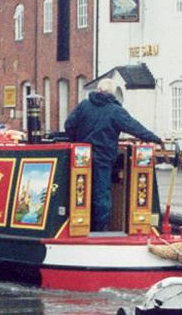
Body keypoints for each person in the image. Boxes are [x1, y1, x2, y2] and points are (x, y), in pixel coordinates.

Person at [65, 78, 163, 232]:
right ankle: (99, 231)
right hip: (102, 158)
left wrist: (77, 143)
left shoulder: (84, 106)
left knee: (79, 194)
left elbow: (69, 124)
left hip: (80, 157)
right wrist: (156, 139)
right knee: (101, 195)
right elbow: (135, 128)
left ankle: (80, 227)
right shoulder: (115, 111)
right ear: (113, 94)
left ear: (98, 90)